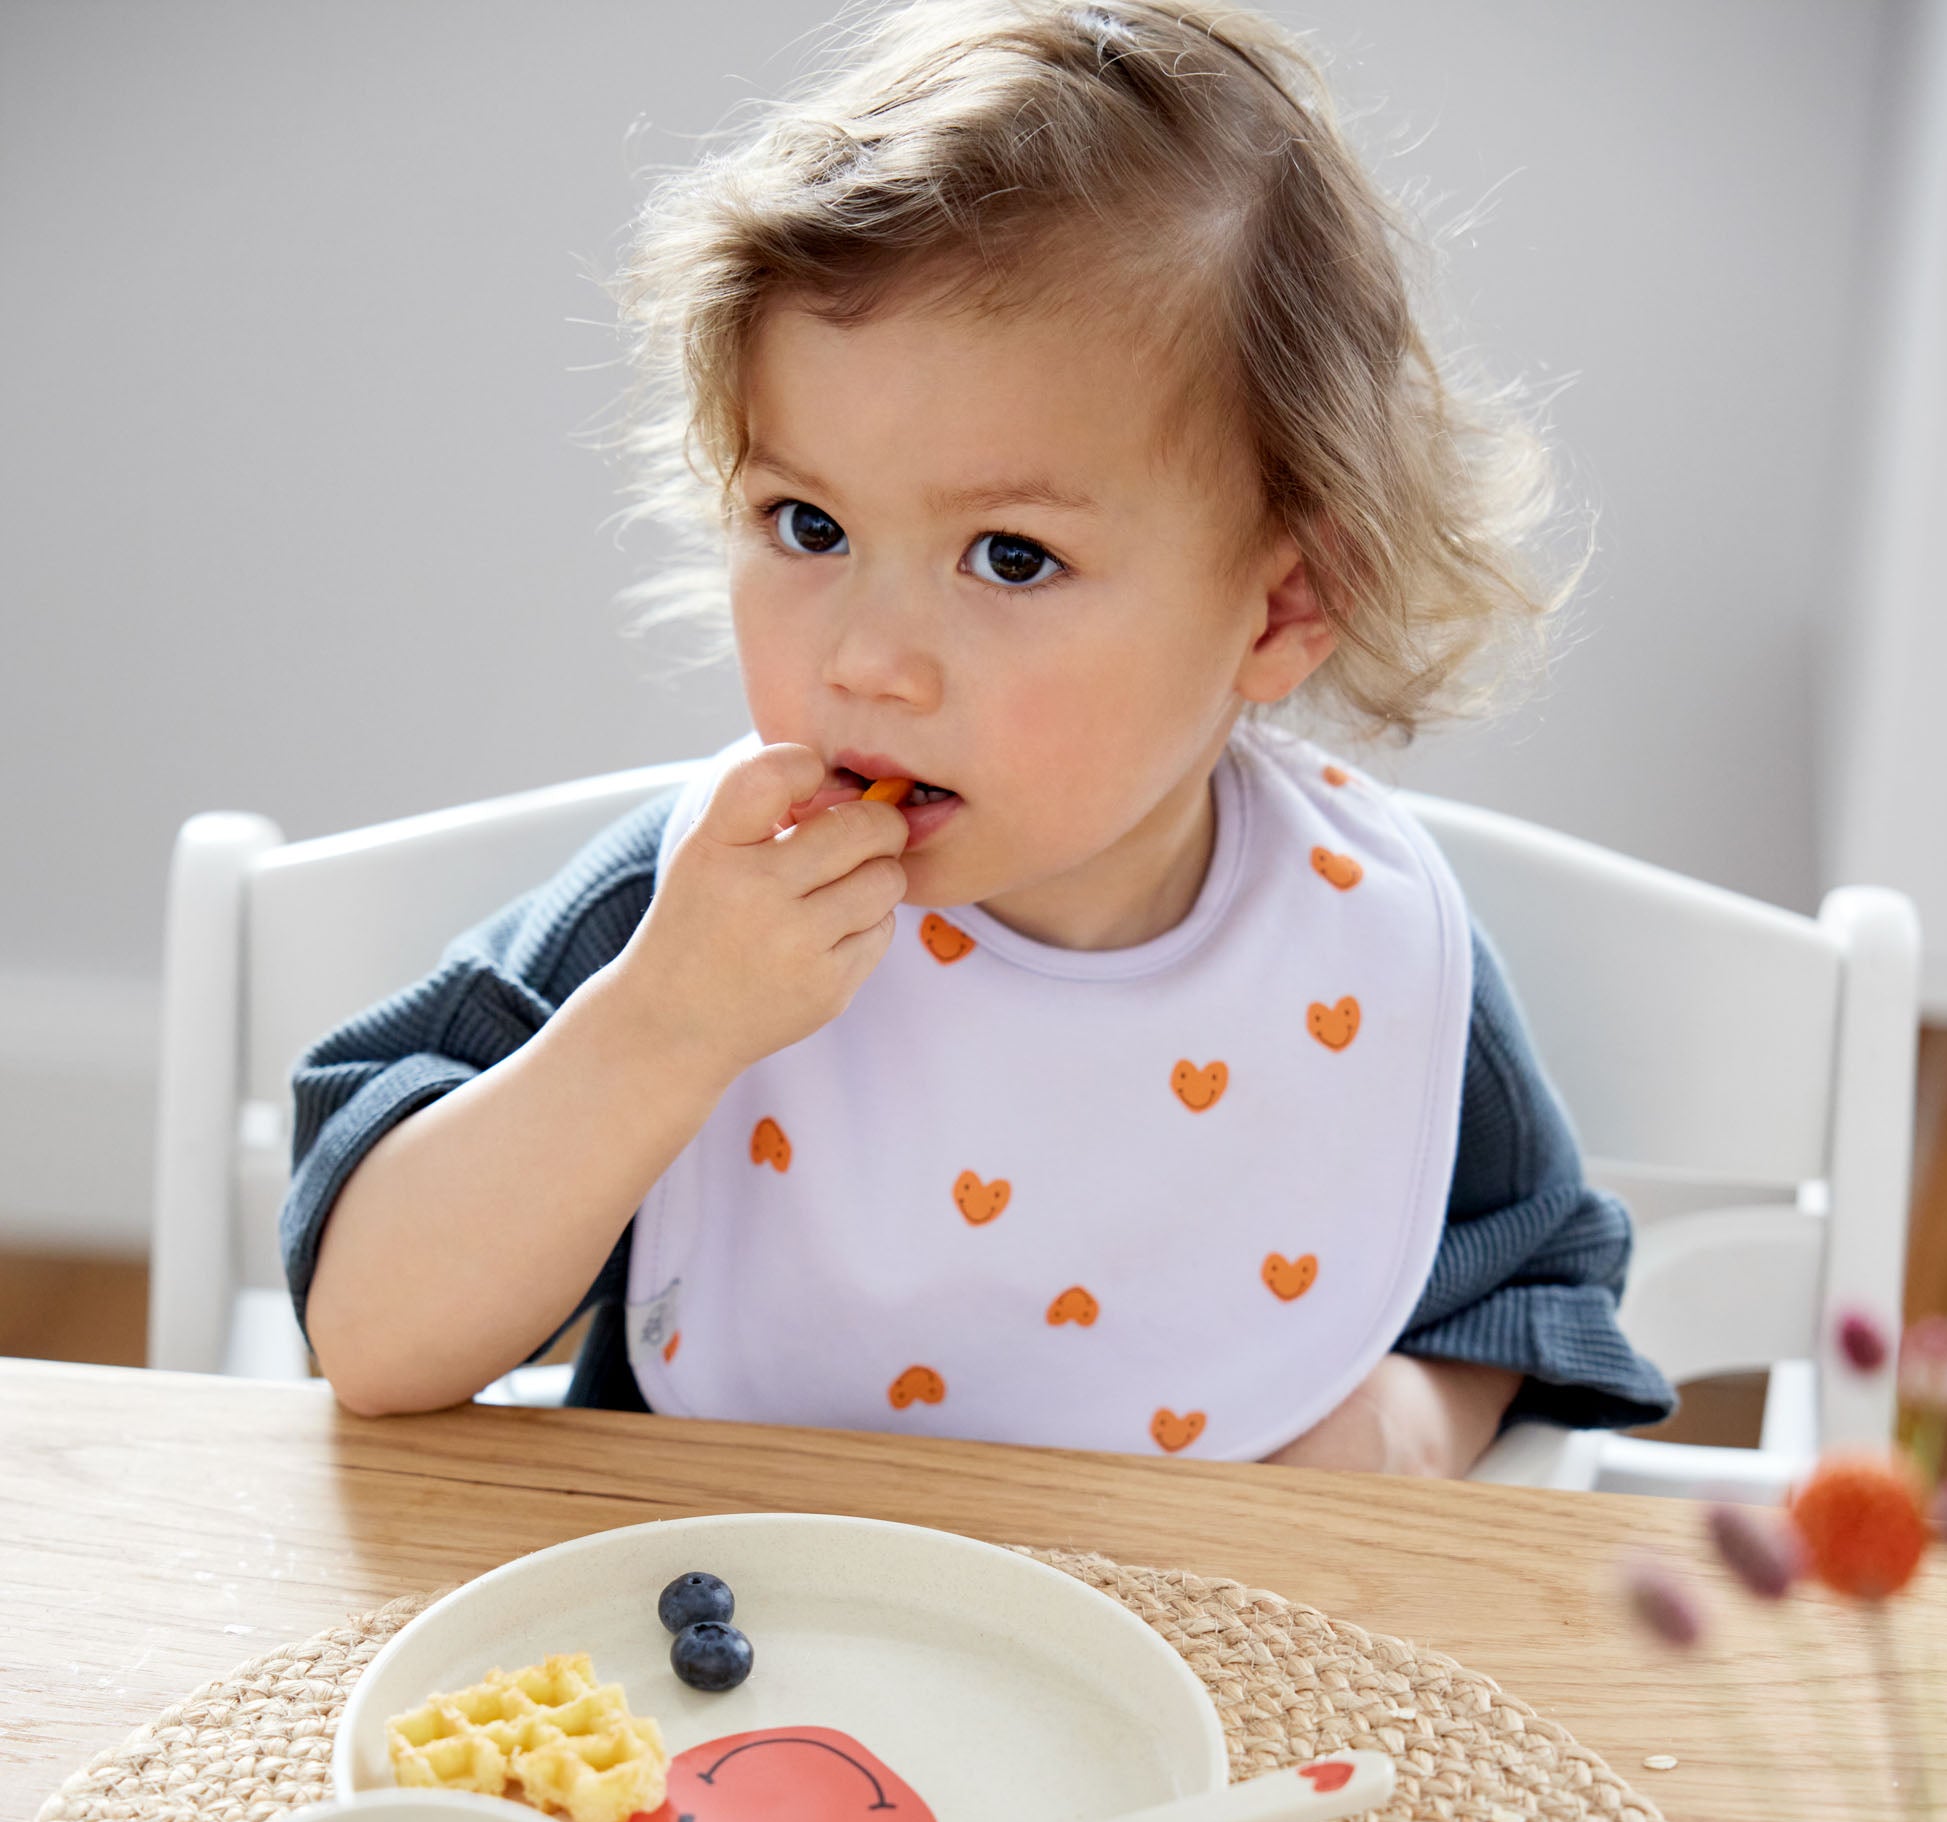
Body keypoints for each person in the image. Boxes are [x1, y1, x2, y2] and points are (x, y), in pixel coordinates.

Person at [286, 0, 1671, 1472]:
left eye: (1009, 556)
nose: (867, 661)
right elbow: (370, 1339)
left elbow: (1528, 1291)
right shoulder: (686, 922)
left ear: (1284, 606)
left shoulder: (1356, 950)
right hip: (724, 1658)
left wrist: (1392, 1429)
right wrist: (663, 1030)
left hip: (1179, 1686)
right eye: (805, 525)